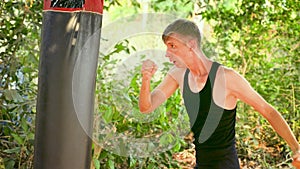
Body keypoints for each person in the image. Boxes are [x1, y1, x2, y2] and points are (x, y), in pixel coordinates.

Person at [138, 19, 300, 169]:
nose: (167, 53)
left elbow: (268, 110)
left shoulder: (227, 78)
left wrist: (296, 148)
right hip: (202, 164)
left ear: (191, 45)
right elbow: (146, 107)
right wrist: (146, 79)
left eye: (173, 46)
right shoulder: (178, 75)